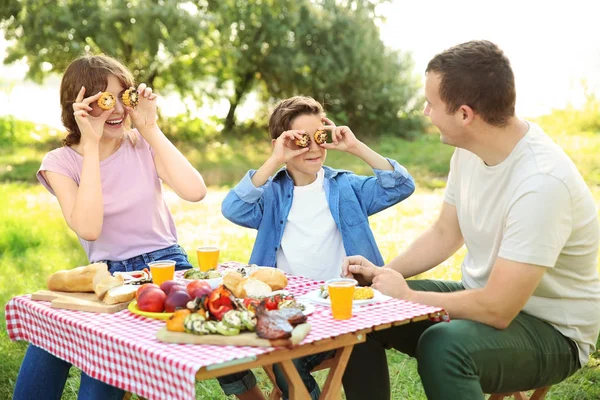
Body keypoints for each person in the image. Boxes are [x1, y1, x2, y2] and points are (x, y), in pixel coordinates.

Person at [340, 40, 600, 400]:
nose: (426, 112)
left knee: (445, 345)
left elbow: (498, 308)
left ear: (465, 114)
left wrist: (409, 297)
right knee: (364, 307)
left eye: (431, 103)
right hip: (483, 302)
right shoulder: (468, 153)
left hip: (553, 331)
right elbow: (446, 233)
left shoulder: (542, 184)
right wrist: (383, 277)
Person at [13, 55, 207, 400]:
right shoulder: (60, 162)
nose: (117, 108)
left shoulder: (141, 144)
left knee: (97, 384)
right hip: (103, 276)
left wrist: (150, 127)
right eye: (104, 99)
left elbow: (195, 191)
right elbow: (88, 227)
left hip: (164, 267)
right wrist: (90, 145)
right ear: (79, 107)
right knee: (48, 336)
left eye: (123, 95)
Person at [219, 96, 416, 399]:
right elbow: (232, 208)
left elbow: (401, 185)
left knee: (358, 347)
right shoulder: (271, 195)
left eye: (320, 138)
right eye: (300, 141)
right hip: (288, 311)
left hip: (341, 308)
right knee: (274, 357)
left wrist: (355, 147)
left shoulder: (347, 187)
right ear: (281, 144)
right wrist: (274, 160)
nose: (313, 148)